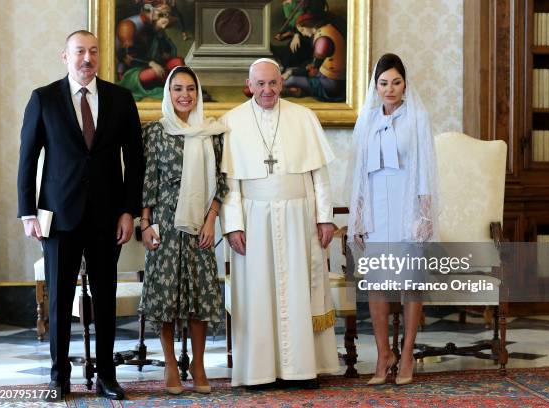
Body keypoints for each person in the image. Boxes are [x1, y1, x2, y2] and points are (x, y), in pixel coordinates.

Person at [17, 30, 144, 400]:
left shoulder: (121, 99)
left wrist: (129, 211)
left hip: (108, 217)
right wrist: (28, 213)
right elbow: (28, 160)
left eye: (92, 51)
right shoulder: (43, 99)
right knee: (58, 300)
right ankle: (59, 378)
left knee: (105, 298)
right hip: (58, 216)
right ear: (65, 56)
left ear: (99, 56)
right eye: (79, 52)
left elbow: (135, 162)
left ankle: (107, 375)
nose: (86, 58)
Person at [220, 58, 339, 387]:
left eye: (273, 83)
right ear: (250, 84)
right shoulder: (232, 122)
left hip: (299, 216)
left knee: (300, 289)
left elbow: (320, 175)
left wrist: (325, 217)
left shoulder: (304, 117)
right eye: (260, 84)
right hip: (253, 218)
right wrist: (233, 225)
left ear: (282, 83)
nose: (267, 90)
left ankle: (302, 370)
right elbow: (229, 183)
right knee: (258, 293)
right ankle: (260, 371)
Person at [347, 53, 438, 386]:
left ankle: (408, 352)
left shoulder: (418, 118)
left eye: (396, 82)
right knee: (377, 285)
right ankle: (384, 355)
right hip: (374, 207)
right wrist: (356, 216)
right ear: (376, 85)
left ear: (404, 84)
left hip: (406, 207)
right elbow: (358, 171)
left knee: (411, 284)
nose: (390, 89)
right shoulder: (367, 119)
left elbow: (426, 167)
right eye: (383, 83)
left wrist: (424, 213)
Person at [138, 66, 228, 394]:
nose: (184, 95)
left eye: (190, 88)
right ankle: (171, 366)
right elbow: (148, 180)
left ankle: (198, 364)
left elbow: (221, 179)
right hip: (165, 223)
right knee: (166, 299)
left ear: (198, 92)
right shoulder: (156, 132)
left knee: (200, 297)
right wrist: (145, 223)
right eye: (177, 89)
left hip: (198, 225)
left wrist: (211, 218)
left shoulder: (212, 133)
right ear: (168, 93)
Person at [282, 13, 346, 102]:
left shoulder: (322, 40)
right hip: (329, 77)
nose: (303, 34)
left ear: (309, 25)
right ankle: (297, 91)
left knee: (292, 80)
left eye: (303, 30)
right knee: (291, 73)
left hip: (331, 84)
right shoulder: (327, 29)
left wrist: (291, 72)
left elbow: (313, 70)